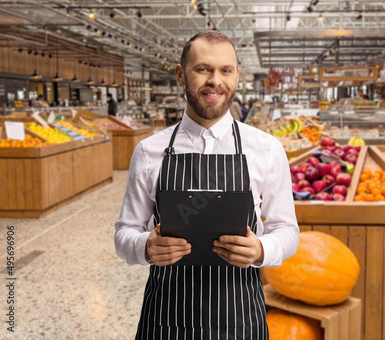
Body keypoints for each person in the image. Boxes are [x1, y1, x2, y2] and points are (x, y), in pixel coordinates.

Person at [114, 30, 299, 339]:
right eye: (203, 69)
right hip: (167, 318)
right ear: (180, 73)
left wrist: (261, 250)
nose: (215, 80)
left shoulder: (266, 149)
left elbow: (288, 231)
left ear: (237, 76)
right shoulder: (149, 151)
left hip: (240, 318)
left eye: (225, 70)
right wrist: (145, 246)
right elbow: (124, 232)